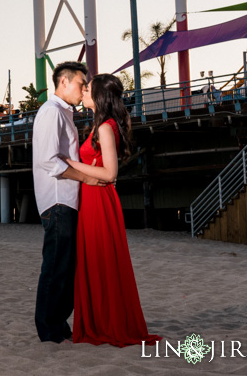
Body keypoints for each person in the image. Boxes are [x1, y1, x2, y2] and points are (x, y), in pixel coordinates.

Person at [65, 73, 162, 347]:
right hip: (92, 197)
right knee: (94, 261)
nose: (83, 92)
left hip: (99, 199)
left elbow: (109, 173)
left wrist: (69, 164)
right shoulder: (98, 126)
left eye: (88, 90)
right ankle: (99, 321)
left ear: (100, 97)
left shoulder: (105, 128)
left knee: (101, 261)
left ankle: (107, 324)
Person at [32, 61, 104, 343]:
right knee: (56, 266)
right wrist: (85, 179)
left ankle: (57, 325)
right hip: (58, 199)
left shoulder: (64, 113)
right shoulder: (51, 113)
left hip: (67, 200)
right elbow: (48, 160)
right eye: (81, 84)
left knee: (65, 267)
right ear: (64, 82)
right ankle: (49, 330)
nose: (84, 89)